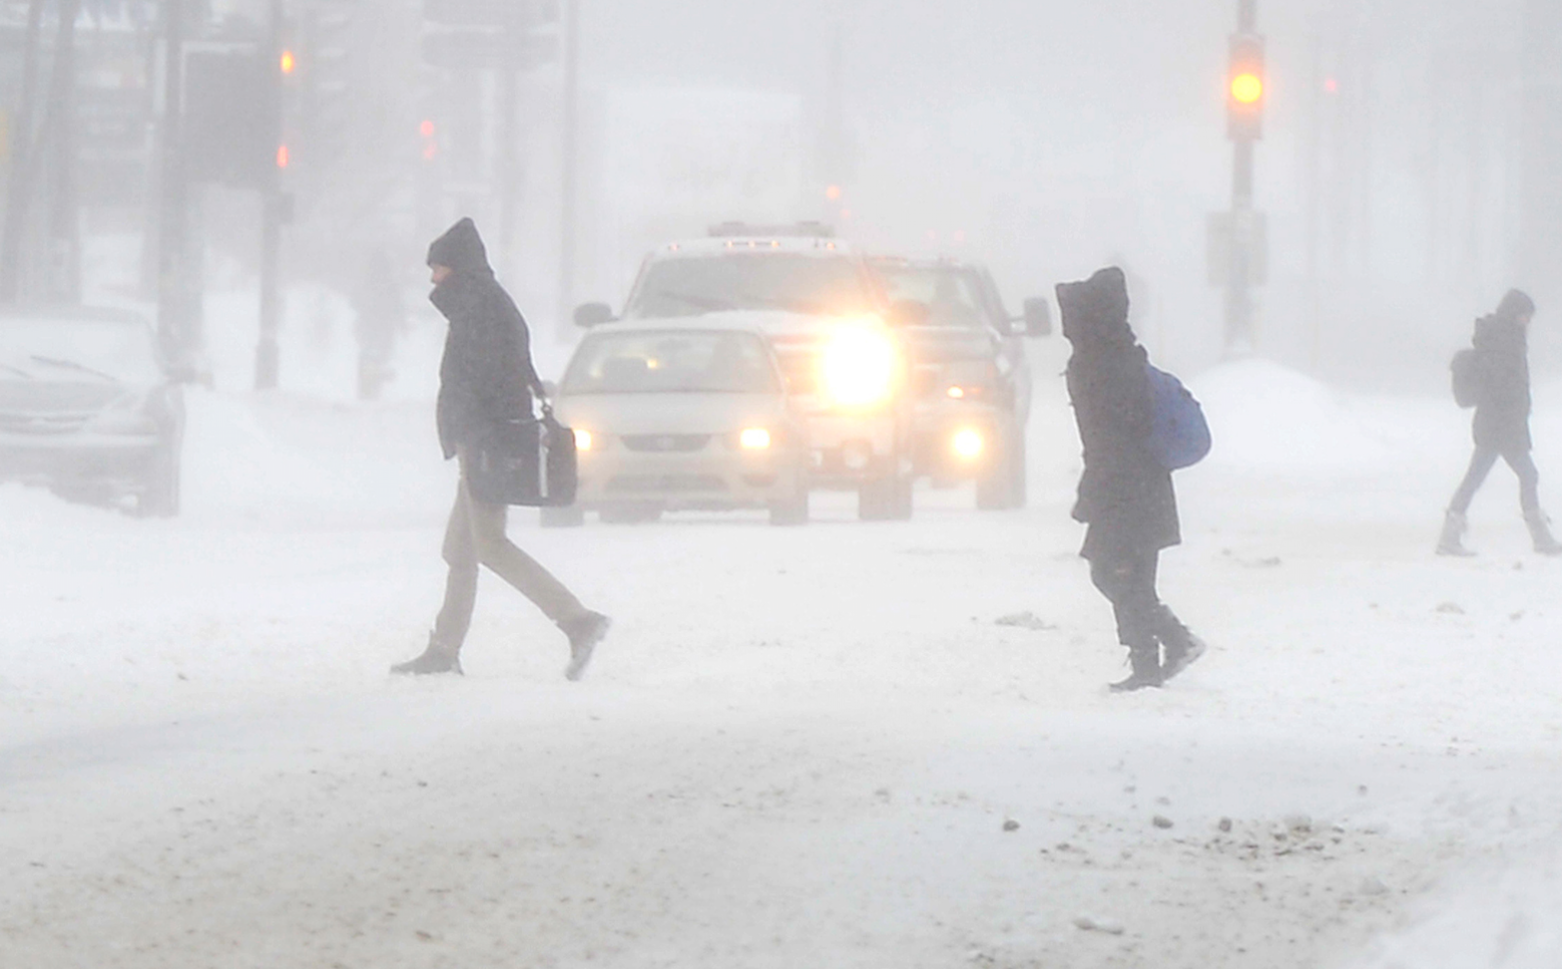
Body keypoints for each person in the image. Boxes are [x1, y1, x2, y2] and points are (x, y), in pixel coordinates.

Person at [392, 218, 611, 679]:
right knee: (460, 550)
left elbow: (486, 381)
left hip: (487, 442)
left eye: (439, 269)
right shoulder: (483, 304)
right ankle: (444, 649)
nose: (434, 279)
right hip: (483, 439)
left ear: (459, 268)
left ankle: (576, 620)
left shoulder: (480, 308)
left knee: (489, 546)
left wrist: (473, 433)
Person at [1058, 267, 1205, 692]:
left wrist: (1093, 490)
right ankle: (1154, 659)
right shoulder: (1116, 356)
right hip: (1139, 486)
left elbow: (1112, 439)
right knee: (1127, 575)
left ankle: (1167, 649)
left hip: (1125, 488)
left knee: (1115, 573)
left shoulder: (1102, 366)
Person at [1438, 290, 1562, 557]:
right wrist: (1514, 412)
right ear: (1513, 313)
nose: (1527, 321)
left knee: (1478, 477)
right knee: (1526, 475)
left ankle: (1449, 536)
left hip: (1499, 424)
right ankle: (1540, 538)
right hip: (1502, 425)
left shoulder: (1503, 338)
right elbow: (1502, 384)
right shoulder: (1504, 340)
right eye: (1524, 315)